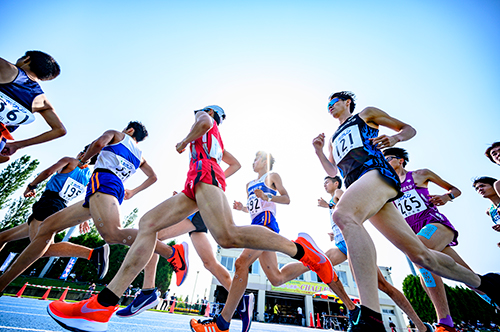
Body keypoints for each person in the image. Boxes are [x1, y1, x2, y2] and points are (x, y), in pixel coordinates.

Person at [47, 106, 335, 332]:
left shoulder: (205, 119)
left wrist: (185, 141)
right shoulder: (217, 143)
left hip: (204, 175)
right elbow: (230, 162)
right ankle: (103, 306)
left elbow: (206, 123)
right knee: (149, 224)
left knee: (227, 237)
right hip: (200, 180)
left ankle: (300, 250)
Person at [312, 91, 499, 331]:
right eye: (326, 105)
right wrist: (318, 150)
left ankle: (370, 317)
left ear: (347, 102)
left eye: (333, 102)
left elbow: (408, 128)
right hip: (362, 186)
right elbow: (333, 170)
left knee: (343, 215)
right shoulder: (334, 138)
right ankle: (487, 284)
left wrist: (395, 139)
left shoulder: (365, 115)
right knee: (421, 257)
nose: (329, 106)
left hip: (376, 175)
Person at [0, 121, 175, 294]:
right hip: (110, 189)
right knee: (46, 228)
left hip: (102, 182)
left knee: (113, 234)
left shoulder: (116, 134)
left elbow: (98, 144)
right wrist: (133, 192)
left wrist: (84, 158)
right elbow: (153, 177)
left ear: (129, 130)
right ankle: (2, 283)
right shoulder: (140, 156)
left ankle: (170, 252)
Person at [384, 147, 500, 330]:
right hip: (415, 233)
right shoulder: (388, 188)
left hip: (434, 224)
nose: (385, 162)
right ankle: (495, 295)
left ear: (400, 160)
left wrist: (447, 197)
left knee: (419, 252)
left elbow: (455, 190)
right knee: (468, 278)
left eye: (388, 158)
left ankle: (445, 323)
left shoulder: (421, 174)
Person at [0, 145, 108, 279]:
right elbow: (90, 195)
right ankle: (93, 254)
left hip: (48, 203)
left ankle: (92, 254)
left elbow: (48, 172)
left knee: (39, 249)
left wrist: (31, 186)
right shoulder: (88, 176)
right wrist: (84, 217)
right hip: (60, 208)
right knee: (3, 237)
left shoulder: (70, 161)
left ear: (82, 154)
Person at [116, 201, 234, 318]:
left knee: (152, 235)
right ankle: (240, 297)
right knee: (210, 263)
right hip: (200, 208)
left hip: (197, 207)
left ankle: (148, 291)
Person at [0, 51, 66, 163]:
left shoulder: (9, 70)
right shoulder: (42, 101)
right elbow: (60, 130)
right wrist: (17, 145)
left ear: (26, 59)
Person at [473, 176, 500, 248]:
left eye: (482, 186)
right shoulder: (489, 211)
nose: (480, 189)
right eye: (477, 189)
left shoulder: (497, 184)